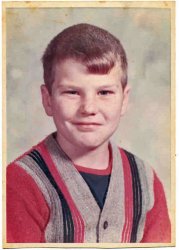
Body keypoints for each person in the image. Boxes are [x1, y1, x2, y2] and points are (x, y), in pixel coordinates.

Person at [6, 23, 171, 243]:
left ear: (124, 100)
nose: (89, 108)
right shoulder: (20, 182)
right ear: (47, 100)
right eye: (72, 92)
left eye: (104, 92)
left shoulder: (145, 181)